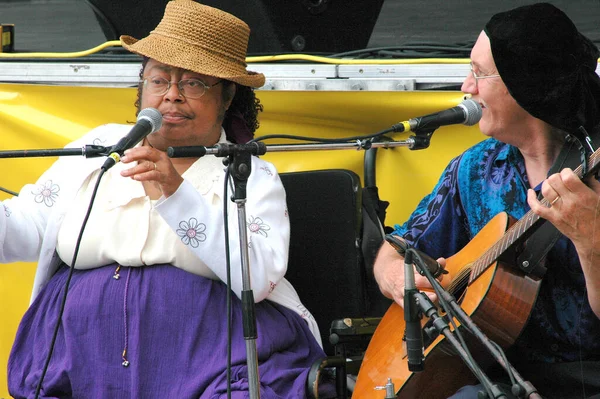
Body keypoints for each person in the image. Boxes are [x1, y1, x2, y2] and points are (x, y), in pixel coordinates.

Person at [6, 1, 331, 397]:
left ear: (228, 97)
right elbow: (25, 226)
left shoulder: (249, 174)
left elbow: (256, 276)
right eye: (159, 80)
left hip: (216, 363)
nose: (172, 96)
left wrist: (176, 194)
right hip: (78, 357)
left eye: (193, 83)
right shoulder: (98, 148)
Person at [372, 3, 600, 399]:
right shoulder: (476, 168)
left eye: (478, 73)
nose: (466, 86)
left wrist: (592, 239)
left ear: (523, 82)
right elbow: (396, 249)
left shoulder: (592, 169)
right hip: (494, 378)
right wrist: (397, 279)